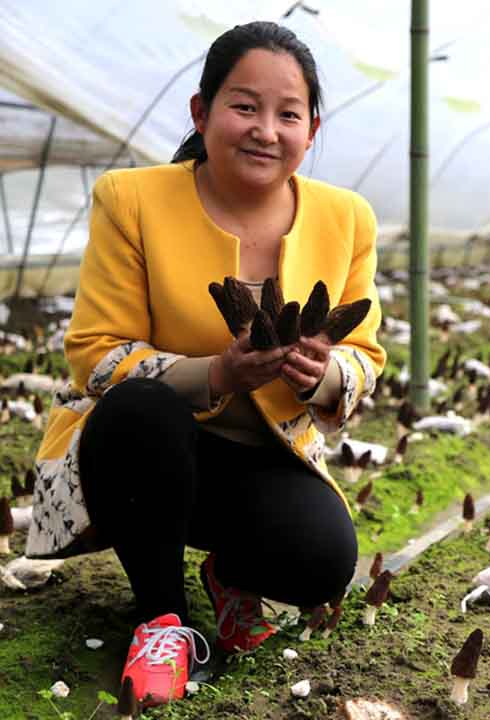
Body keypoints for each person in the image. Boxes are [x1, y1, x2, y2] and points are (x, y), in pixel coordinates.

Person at [25, 21, 386, 709]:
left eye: (288, 115)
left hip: (262, 456)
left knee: (324, 561)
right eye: (244, 106)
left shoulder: (347, 219)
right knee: (138, 408)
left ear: (312, 130)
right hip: (143, 449)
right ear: (203, 111)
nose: (265, 130)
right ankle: (160, 620)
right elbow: (97, 356)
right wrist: (219, 375)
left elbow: (364, 354)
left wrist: (325, 373)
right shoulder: (132, 200)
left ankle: (230, 579)